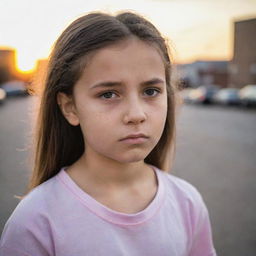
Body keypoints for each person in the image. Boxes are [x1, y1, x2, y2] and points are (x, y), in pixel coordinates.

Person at [0, 11, 217, 256]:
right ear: (70, 107)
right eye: (108, 94)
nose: (136, 114)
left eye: (151, 91)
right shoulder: (36, 221)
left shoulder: (187, 203)